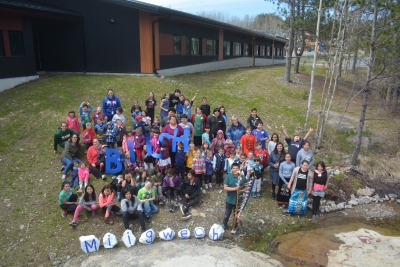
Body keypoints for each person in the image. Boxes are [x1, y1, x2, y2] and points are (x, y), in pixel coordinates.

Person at [221, 163, 247, 231]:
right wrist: (235, 189)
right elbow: (225, 188)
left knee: (236, 215)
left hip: (239, 199)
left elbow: (247, 187)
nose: (235, 170)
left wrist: (241, 190)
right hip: (230, 199)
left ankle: (235, 226)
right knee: (227, 214)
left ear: (239, 169)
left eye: (237, 168)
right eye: (234, 168)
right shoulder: (228, 177)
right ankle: (224, 224)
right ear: (231, 169)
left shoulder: (243, 177)